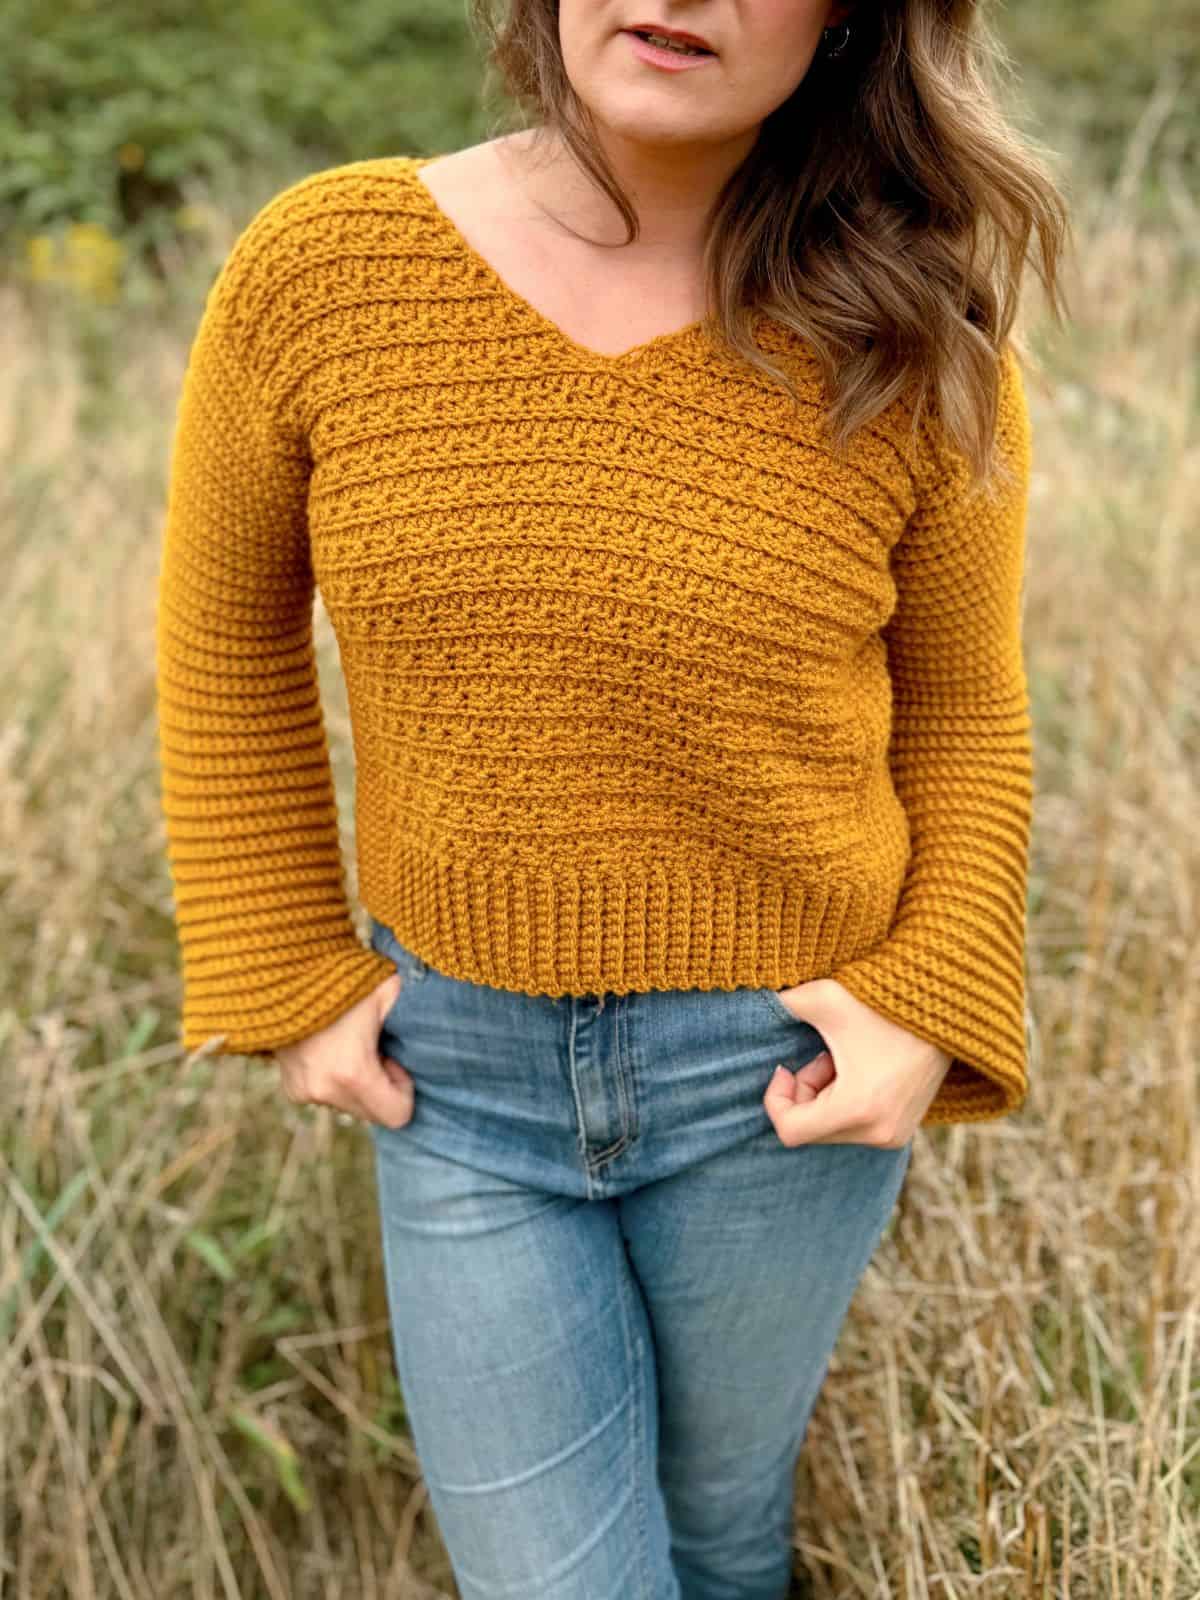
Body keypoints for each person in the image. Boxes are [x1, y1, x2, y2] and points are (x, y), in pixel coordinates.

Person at [155, 1, 1069, 1594]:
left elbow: (967, 707)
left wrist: (928, 996)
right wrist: (285, 969)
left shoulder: (913, 333)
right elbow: (225, 636)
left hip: (777, 1076)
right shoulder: (324, 268)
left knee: (721, 1539)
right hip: (462, 1081)